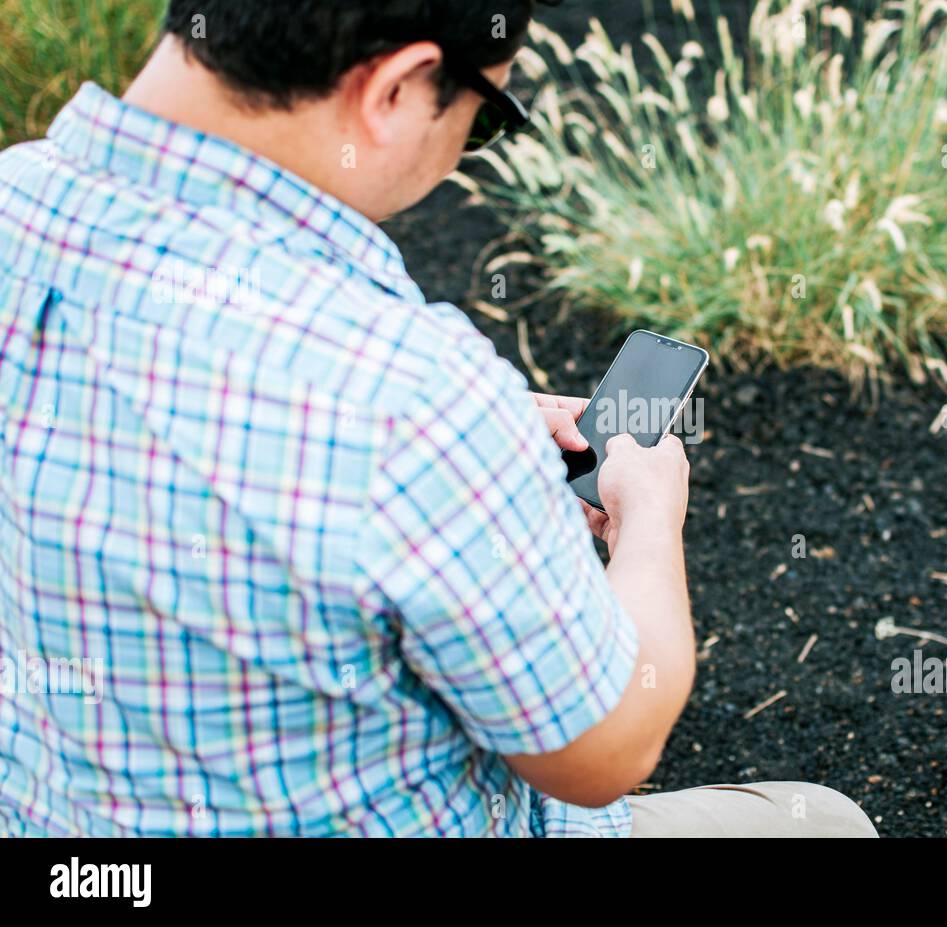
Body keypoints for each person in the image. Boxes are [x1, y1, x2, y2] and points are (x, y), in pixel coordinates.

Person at [0, 0, 875, 838]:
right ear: (399, 88)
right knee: (832, 824)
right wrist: (649, 511)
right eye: (485, 116)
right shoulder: (412, 396)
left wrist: (466, 453)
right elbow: (607, 749)